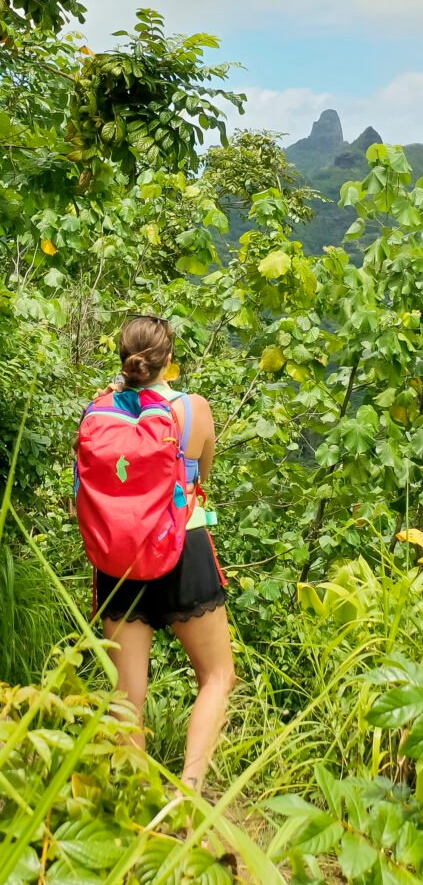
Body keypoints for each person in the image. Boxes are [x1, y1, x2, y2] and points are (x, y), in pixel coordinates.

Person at [94, 315, 235, 792]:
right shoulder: (193, 410)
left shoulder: (100, 411)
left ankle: (133, 805)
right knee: (217, 676)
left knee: (127, 695)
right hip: (183, 548)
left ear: (124, 359)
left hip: (118, 558)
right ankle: (188, 796)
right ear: (168, 361)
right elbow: (203, 477)